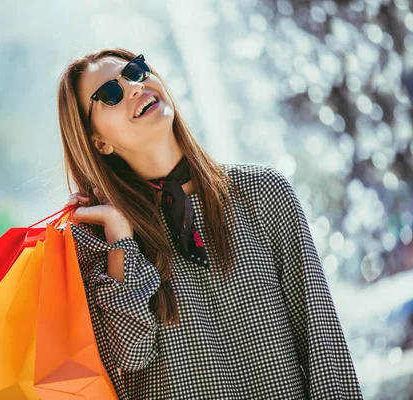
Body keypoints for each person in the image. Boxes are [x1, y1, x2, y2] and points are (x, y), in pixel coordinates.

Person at [56, 47, 363, 400]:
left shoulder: (262, 192)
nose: (133, 87)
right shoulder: (99, 243)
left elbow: (323, 343)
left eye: (136, 72)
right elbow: (132, 354)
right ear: (99, 142)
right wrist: (121, 239)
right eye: (109, 94)